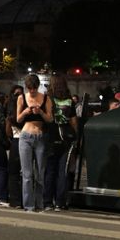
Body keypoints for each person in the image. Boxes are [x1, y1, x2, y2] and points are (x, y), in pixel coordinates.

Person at [17, 74, 53, 212]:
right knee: (27, 174)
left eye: (34, 88)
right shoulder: (21, 98)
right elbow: (18, 119)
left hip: (40, 136)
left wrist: (41, 112)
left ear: (38, 87)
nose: (32, 91)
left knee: (40, 174)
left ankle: (39, 203)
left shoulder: (45, 99)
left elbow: (50, 119)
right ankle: (28, 205)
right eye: (30, 88)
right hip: (25, 136)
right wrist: (26, 112)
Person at [44, 75, 78, 212]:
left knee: (50, 170)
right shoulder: (70, 101)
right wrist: (75, 137)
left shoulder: (47, 100)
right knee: (62, 172)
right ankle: (60, 202)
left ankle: (47, 201)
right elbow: (74, 122)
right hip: (66, 139)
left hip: (51, 137)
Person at [5, 85, 24, 208]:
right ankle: (24, 199)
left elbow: (8, 132)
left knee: (13, 173)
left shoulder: (10, 109)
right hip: (26, 139)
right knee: (26, 173)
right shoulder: (24, 108)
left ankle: (15, 200)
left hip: (16, 141)